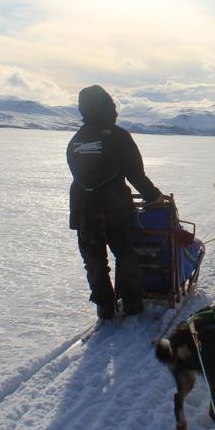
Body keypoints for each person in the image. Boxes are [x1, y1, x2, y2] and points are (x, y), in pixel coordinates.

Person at [67, 85, 166, 320]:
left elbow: (80, 175)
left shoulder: (76, 141)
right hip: (115, 207)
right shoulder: (119, 137)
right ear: (108, 108)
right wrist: (154, 196)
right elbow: (136, 174)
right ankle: (132, 303)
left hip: (83, 209)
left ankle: (104, 306)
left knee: (93, 259)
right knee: (126, 255)